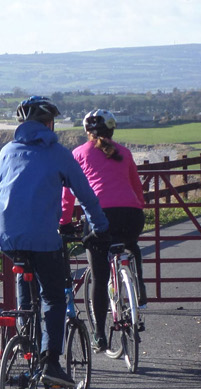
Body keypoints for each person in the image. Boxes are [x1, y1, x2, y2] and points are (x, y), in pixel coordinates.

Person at [0, 96, 109, 387]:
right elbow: (86, 194)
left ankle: (25, 344)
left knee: (24, 278)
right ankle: (51, 362)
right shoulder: (57, 153)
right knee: (53, 296)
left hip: (4, 236)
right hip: (42, 236)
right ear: (49, 123)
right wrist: (100, 226)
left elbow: (1, 188)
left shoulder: (7, 150)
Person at [58, 109, 148, 352]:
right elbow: (136, 189)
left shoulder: (77, 154)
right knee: (131, 247)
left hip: (101, 217)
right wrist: (139, 208)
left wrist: (64, 222)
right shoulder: (125, 152)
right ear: (112, 131)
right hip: (131, 216)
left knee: (99, 275)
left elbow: (67, 195)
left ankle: (99, 334)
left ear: (87, 132)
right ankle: (140, 293)